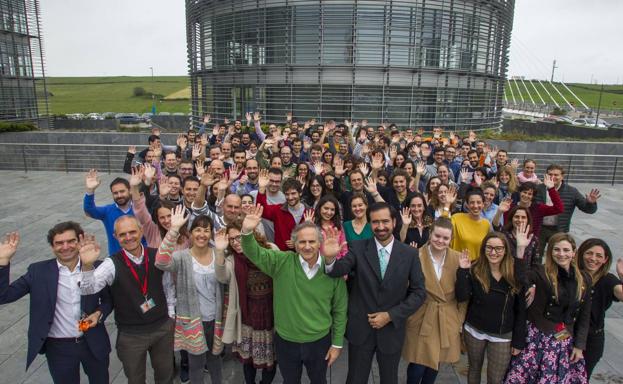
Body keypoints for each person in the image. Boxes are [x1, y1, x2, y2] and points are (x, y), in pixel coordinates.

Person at [240, 205, 347, 384]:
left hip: (319, 342)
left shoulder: (332, 271)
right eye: (302, 242)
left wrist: (336, 344)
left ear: (320, 243)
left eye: (312, 242)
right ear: (294, 244)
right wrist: (247, 231)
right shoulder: (281, 261)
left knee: (319, 380)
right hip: (286, 342)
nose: (307, 247)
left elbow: (340, 310)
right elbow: (253, 253)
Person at [323, 202, 426, 384]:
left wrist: (391, 315)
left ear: (394, 222)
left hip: (391, 331)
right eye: (375, 222)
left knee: (389, 379)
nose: (380, 227)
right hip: (361, 329)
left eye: (385, 221)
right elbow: (338, 270)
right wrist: (330, 258)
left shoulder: (410, 254)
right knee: (355, 378)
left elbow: (419, 293)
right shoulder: (357, 247)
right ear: (370, 224)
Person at [0, 224, 112, 384]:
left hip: (92, 341)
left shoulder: (96, 266)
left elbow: (109, 300)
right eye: (59, 243)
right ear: (52, 246)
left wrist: (99, 313)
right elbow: (3, 296)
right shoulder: (38, 272)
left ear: (80, 241)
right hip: (59, 348)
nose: (65, 247)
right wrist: (2, 262)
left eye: (71, 241)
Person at [78, 216, 175, 384]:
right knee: (135, 379)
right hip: (131, 334)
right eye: (123, 234)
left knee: (165, 375)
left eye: (132, 232)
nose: (128, 237)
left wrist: (171, 317)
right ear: (115, 237)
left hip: (162, 328)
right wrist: (87, 266)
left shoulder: (157, 255)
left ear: (141, 232)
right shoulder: (111, 264)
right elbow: (88, 288)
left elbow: (168, 287)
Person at [505, 233, 591, 384]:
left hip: (563, 338)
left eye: (566, 250)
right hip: (537, 336)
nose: (561, 254)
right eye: (556, 250)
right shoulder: (541, 272)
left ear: (574, 252)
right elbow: (520, 279)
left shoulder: (583, 279)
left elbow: (584, 314)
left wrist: (579, 345)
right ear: (550, 252)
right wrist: (520, 249)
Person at [155, 208, 224, 384]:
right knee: (196, 364)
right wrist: (173, 230)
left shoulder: (218, 254)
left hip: (215, 320)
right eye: (197, 229)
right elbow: (161, 262)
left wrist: (222, 251)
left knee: (215, 361)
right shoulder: (181, 257)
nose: (202, 234)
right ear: (191, 234)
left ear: (211, 234)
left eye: (206, 230)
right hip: (193, 320)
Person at [402, 218, 467, 384]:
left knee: (435, 363)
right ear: (430, 234)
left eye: (445, 238)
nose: (440, 241)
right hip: (422, 314)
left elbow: (464, 295)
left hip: (446, 316)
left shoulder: (458, 258)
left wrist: (464, 273)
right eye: (437, 236)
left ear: (451, 240)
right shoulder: (416, 255)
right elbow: (404, 287)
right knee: (418, 364)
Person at [455, 232, 526, 384]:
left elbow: (521, 310)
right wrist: (462, 271)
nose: (493, 252)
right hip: (475, 330)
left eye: (498, 248)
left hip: (502, 335)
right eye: (489, 248)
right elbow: (462, 296)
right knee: (474, 369)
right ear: (483, 249)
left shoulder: (514, 272)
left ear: (506, 250)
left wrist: (518, 341)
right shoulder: (475, 268)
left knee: (495, 378)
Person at [214, 220, 278, 384]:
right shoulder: (232, 260)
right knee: (247, 359)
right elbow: (222, 276)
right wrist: (220, 251)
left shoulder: (270, 249)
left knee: (271, 358)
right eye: (232, 239)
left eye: (239, 237)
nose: (235, 242)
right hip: (247, 317)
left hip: (271, 315)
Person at [576, 238, 623, 380]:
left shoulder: (608, 280)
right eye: (589, 253)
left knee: (581, 377)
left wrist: (622, 277)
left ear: (605, 259)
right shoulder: (572, 274)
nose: (593, 259)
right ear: (581, 254)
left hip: (592, 339)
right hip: (567, 334)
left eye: (599, 256)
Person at [538, 164, 601, 254]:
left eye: (556, 175)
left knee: (558, 255)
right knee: (536, 255)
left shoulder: (571, 191)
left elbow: (588, 210)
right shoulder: (539, 189)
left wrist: (591, 203)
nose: (553, 177)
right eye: (550, 174)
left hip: (559, 229)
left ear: (562, 176)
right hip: (540, 228)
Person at [83, 169, 136, 254]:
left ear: (129, 191)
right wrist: (90, 191)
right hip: (117, 257)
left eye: (122, 191)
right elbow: (89, 210)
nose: (119, 195)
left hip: (140, 255)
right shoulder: (107, 211)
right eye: (115, 193)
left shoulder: (140, 209)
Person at [450, 187, 492, 261]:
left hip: (477, 267)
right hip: (457, 265)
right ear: (467, 205)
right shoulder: (456, 218)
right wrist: (447, 205)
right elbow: (442, 228)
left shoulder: (486, 224)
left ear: (483, 204)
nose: (475, 206)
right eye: (472, 202)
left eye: (479, 202)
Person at [311, 195, 348, 260]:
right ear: (319, 208)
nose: (329, 212)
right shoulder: (313, 225)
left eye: (332, 210)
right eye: (326, 208)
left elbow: (344, 250)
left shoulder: (338, 226)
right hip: (318, 265)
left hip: (336, 263)